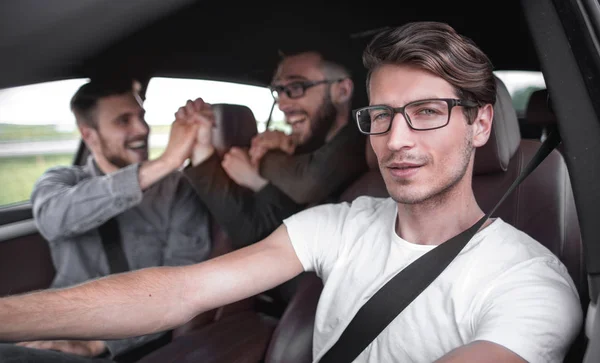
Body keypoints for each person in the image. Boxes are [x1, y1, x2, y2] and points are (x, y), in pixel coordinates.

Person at [0, 21, 583, 363]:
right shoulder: (340, 223)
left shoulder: (528, 281)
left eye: (427, 113)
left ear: (480, 125)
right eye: (382, 116)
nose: (396, 140)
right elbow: (183, 289)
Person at [3, 79, 213, 362]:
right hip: (65, 328)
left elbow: (183, 281)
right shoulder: (61, 180)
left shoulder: (176, 189)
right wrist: (163, 163)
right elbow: (53, 220)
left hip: (143, 338)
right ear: (89, 135)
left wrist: (100, 343)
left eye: (141, 117)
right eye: (123, 121)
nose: (142, 129)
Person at [183, 50, 368, 250]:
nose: (281, 104)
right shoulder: (302, 148)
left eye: (296, 87)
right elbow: (253, 228)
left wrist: (259, 163)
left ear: (342, 91)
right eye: (278, 91)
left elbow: (305, 184)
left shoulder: (363, 141)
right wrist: (202, 149)